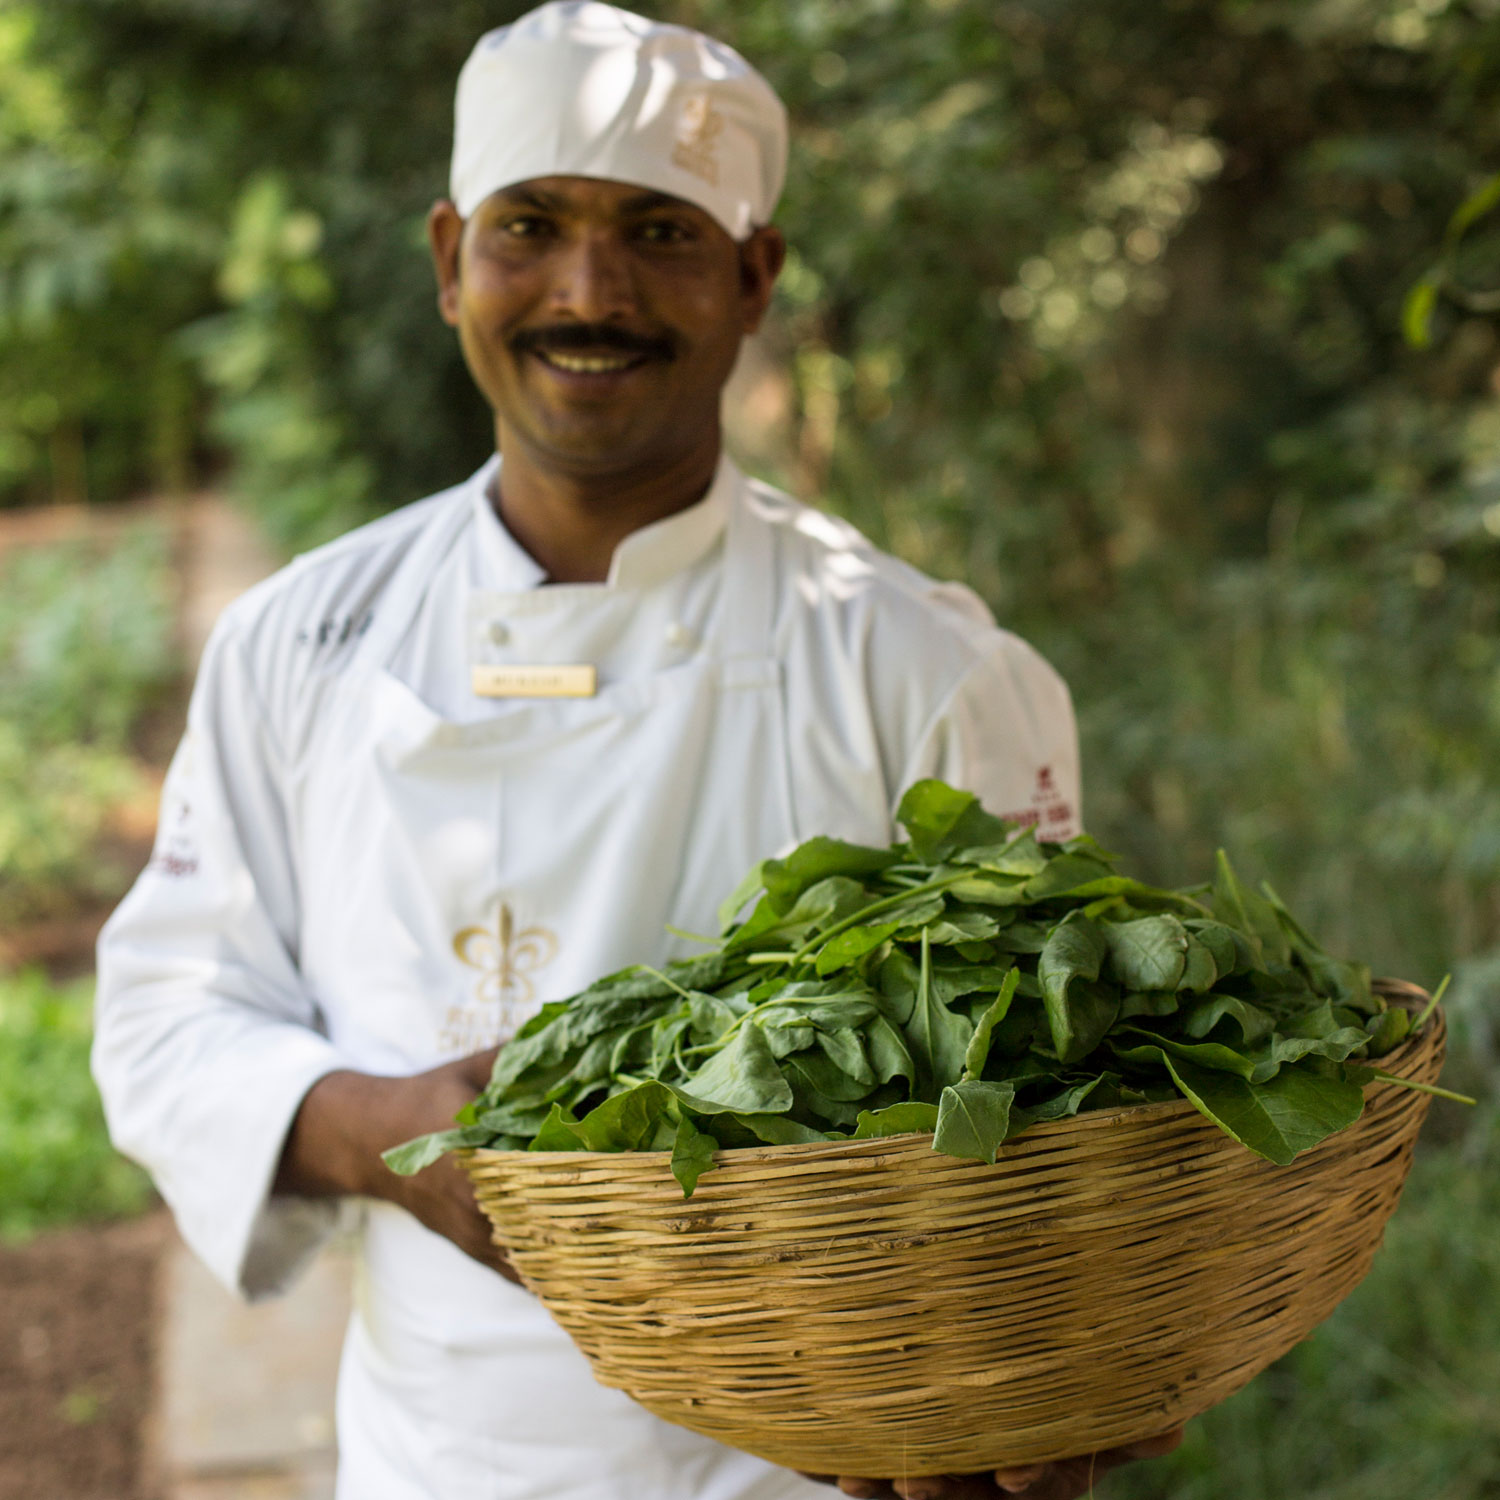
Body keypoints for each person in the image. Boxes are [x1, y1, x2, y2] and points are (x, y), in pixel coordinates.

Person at [94, 4, 1179, 1498]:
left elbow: (1057, 1108)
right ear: (446, 262)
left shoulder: (920, 666)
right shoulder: (305, 642)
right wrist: (397, 1136)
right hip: (443, 1459)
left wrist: (1046, 1381)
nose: (588, 292)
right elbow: (170, 1020)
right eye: (530, 226)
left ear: (753, 281)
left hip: (819, 1466)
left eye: (660, 234)